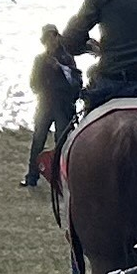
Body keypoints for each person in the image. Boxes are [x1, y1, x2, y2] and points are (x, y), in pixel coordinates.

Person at [26, 24, 79, 188]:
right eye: (48, 37)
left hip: (62, 106)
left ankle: (60, 178)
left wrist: (60, 70)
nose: (51, 40)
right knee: (38, 141)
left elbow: (75, 83)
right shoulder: (39, 60)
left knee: (62, 142)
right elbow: (33, 84)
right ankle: (32, 177)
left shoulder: (67, 59)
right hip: (45, 105)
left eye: (54, 36)